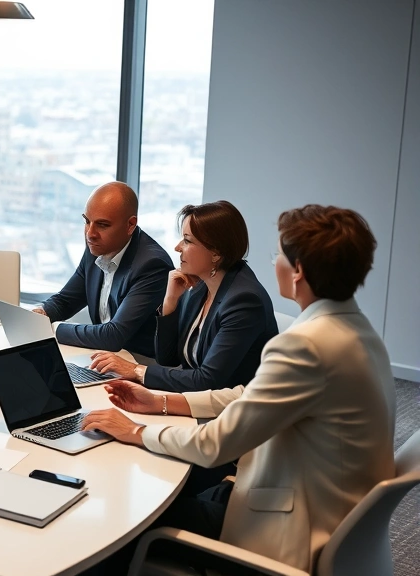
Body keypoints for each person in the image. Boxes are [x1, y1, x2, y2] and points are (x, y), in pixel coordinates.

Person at [81, 205, 396, 573]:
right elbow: (249, 394)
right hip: (317, 502)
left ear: (298, 273)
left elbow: (214, 445)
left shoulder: (307, 345)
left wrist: (134, 430)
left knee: (124, 516)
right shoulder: (356, 332)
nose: (273, 261)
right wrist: (162, 402)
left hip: (286, 527)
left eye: (278, 253)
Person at [88, 201, 278, 393]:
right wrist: (170, 302)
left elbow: (207, 380)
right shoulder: (200, 285)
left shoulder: (244, 301)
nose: (178, 247)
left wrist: (135, 370)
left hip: (230, 412)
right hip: (196, 400)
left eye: (187, 241)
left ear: (216, 253)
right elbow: (167, 358)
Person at [35, 181, 173, 359]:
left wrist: (53, 328)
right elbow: (66, 301)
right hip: (102, 356)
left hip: (138, 363)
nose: (90, 233)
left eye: (102, 225)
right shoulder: (97, 246)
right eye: (87, 221)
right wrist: (41, 314)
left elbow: (113, 335)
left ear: (130, 225)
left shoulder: (153, 265)